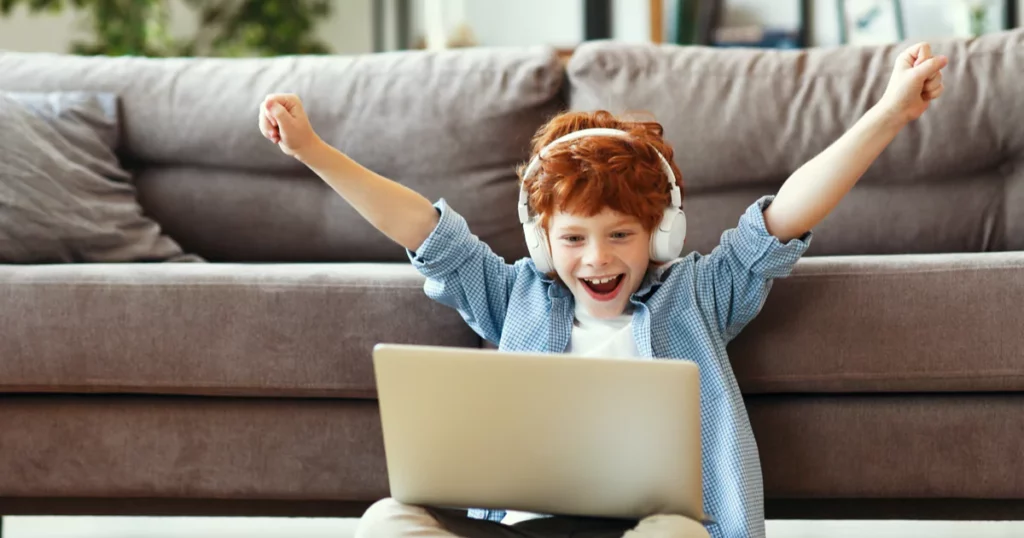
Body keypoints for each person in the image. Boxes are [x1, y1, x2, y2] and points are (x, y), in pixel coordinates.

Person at [257, 42, 947, 538]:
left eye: (621, 235)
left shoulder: (699, 294)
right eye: (574, 238)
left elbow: (788, 213)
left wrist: (888, 111)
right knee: (387, 520)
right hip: (521, 530)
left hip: (652, 530)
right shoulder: (516, 296)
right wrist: (312, 148)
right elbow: (418, 226)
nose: (596, 259)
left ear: (662, 233)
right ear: (541, 242)